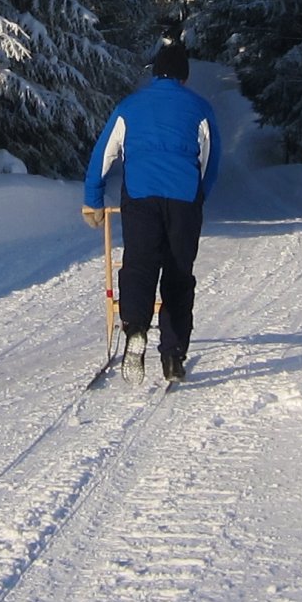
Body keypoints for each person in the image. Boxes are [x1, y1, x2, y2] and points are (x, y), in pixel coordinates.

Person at [82, 37, 220, 383]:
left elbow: (104, 155)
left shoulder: (130, 106)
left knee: (139, 264)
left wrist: (93, 199)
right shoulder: (200, 108)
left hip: (141, 195)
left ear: (155, 74)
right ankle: (173, 355)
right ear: (184, 78)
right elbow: (210, 159)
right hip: (184, 198)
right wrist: (198, 195)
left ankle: (135, 329)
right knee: (178, 275)